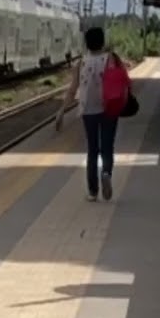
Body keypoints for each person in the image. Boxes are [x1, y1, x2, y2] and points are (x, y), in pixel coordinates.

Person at [55, 26, 125, 202]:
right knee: (107, 147)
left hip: (88, 110)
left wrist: (62, 110)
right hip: (109, 108)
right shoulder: (111, 58)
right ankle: (107, 172)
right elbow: (122, 80)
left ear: (86, 43)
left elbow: (72, 90)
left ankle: (93, 191)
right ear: (103, 41)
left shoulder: (82, 63)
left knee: (92, 150)